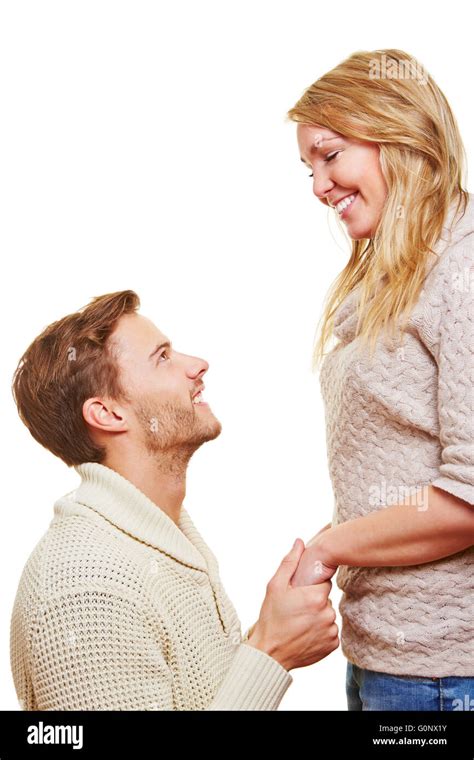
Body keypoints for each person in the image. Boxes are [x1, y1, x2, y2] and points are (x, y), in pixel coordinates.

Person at [10, 290, 339, 711]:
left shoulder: (160, 537)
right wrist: (272, 652)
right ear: (108, 414)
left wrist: (272, 628)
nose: (198, 364)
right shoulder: (83, 590)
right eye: (162, 357)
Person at [287, 48, 474, 711]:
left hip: (445, 676)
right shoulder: (397, 273)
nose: (317, 184)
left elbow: (469, 496)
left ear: (396, 130)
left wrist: (328, 548)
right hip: (384, 660)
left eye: (330, 154)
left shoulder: (464, 270)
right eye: (307, 166)